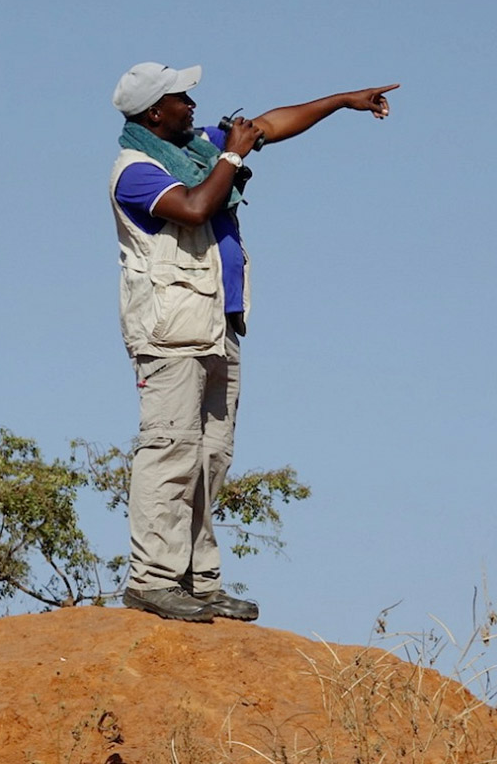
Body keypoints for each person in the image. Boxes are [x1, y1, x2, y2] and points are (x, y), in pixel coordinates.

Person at [110, 61, 398, 623]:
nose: (193, 105)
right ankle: (153, 580)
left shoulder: (191, 146)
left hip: (216, 324)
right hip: (171, 332)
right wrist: (233, 156)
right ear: (153, 112)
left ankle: (198, 581)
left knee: (210, 457)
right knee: (169, 449)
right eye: (181, 99)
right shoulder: (135, 170)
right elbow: (196, 206)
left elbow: (268, 124)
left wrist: (343, 100)